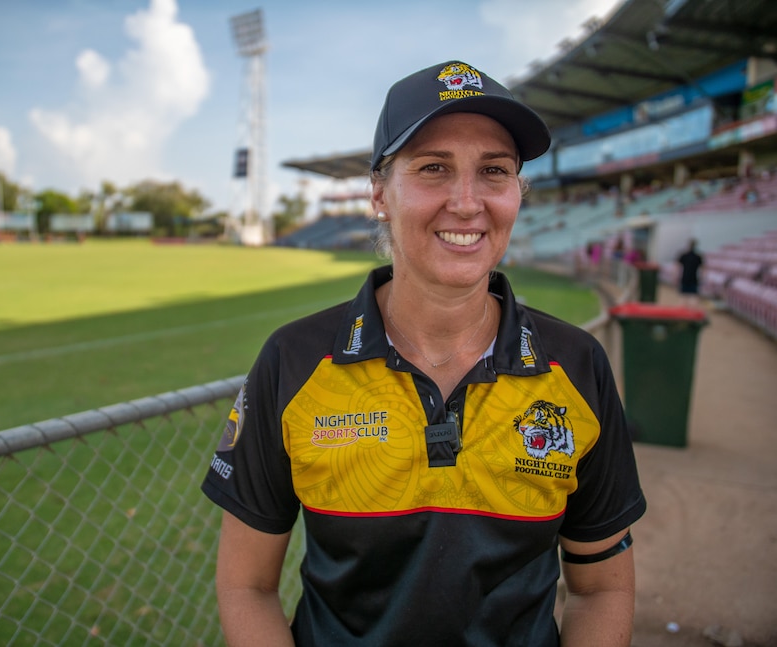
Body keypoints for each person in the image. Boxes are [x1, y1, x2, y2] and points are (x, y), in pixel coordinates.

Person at [202, 60, 646, 646]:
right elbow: (246, 586)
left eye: (494, 171)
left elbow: (602, 589)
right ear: (381, 195)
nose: (467, 203)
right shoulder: (294, 359)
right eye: (434, 168)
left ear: (517, 193)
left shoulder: (577, 364)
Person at [677, 239, 704, 305]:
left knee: (684, 297)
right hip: (692, 278)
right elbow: (703, 269)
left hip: (686, 278)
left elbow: (677, 268)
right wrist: (702, 278)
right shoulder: (698, 256)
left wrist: (676, 277)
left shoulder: (685, 255)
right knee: (692, 298)